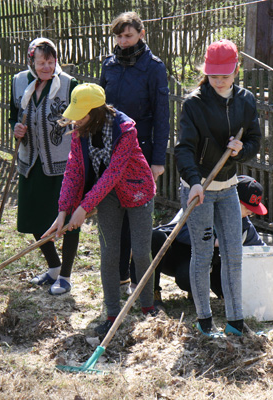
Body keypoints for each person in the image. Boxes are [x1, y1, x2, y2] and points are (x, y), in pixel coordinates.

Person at [44, 83, 156, 335]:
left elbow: (113, 173)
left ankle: (148, 306)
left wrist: (83, 208)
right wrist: (63, 210)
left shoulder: (125, 130)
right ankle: (111, 313)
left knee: (140, 252)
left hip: (137, 190)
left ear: (96, 111)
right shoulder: (79, 130)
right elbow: (73, 170)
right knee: (109, 253)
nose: (76, 120)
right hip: (106, 196)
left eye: (81, 114)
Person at [174, 39, 262, 337]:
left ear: (236, 70)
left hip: (227, 187)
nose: (219, 81)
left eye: (224, 75)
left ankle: (236, 323)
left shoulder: (246, 100)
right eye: (213, 76)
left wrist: (242, 149)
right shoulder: (194, 103)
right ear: (206, 72)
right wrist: (194, 182)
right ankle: (204, 321)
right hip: (198, 188)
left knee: (233, 254)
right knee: (202, 255)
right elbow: (184, 148)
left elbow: (254, 140)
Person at [151, 175, 273, 310]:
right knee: (156, 237)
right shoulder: (202, 204)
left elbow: (267, 258)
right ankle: (152, 294)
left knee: (196, 277)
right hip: (174, 255)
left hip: (202, 265)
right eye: (247, 209)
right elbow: (177, 231)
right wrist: (213, 241)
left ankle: (196, 292)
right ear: (231, 200)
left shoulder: (244, 227)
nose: (250, 214)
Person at [99, 12, 170, 293]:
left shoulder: (154, 67)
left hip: (141, 151)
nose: (123, 41)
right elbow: (99, 108)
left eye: (128, 35)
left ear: (141, 33)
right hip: (110, 150)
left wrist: (158, 160)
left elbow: (162, 116)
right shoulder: (109, 65)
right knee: (113, 213)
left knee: (136, 215)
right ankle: (119, 278)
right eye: (118, 36)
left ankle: (141, 283)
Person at [9, 38, 80, 295]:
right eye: (41, 63)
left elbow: (82, 118)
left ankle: (67, 276)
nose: (47, 67)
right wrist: (15, 129)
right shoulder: (19, 82)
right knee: (35, 217)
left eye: (51, 62)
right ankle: (53, 268)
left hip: (64, 165)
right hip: (31, 161)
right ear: (32, 61)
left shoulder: (69, 84)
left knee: (69, 219)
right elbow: (12, 114)